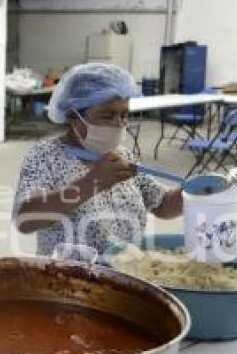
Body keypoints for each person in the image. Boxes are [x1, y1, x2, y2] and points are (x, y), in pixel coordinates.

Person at [12, 63, 182, 256]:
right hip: (69, 278)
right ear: (73, 116)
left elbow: (163, 205)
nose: (119, 124)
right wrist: (92, 182)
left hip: (128, 272)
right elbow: (25, 220)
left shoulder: (122, 156)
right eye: (107, 116)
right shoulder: (46, 156)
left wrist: (199, 192)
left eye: (124, 115)